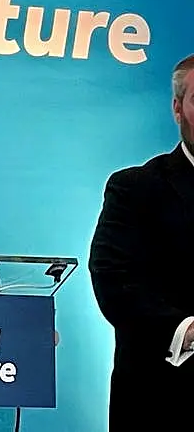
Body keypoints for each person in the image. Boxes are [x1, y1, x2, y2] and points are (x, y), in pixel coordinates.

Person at [89, 54, 194, 430]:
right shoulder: (135, 188)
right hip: (164, 398)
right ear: (177, 108)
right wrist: (187, 330)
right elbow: (114, 282)